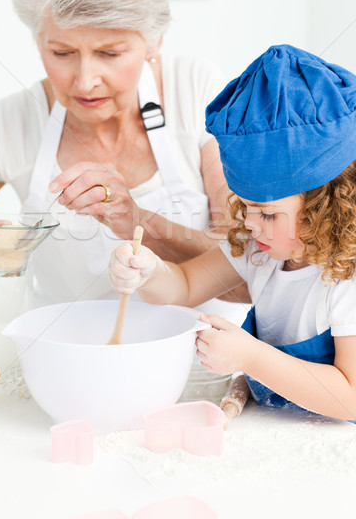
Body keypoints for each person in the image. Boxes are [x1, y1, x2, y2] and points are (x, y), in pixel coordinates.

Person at [0, 0, 248, 307]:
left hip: (201, 363)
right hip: (67, 361)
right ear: (37, 40)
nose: (84, 81)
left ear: (153, 41)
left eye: (110, 53)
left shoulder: (194, 90)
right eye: (61, 53)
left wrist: (134, 219)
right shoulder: (16, 121)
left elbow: (251, 275)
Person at [109, 44, 356, 421]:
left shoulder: (345, 280)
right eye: (246, 207)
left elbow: (350, 397)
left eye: (268, 213)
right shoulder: (259, 250)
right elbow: (185, 287)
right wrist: (148, 271)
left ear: (329, 207)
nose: (252, 223)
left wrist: (250, 356)